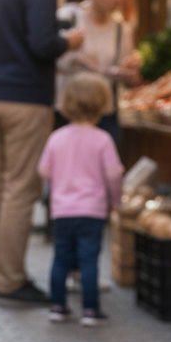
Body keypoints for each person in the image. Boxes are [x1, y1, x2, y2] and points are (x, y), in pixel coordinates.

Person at [0, 0, 85, 307]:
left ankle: (2, 274)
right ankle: (11, 279)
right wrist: (69, 42)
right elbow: (43, 44)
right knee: (21, 188)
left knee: (2, 186)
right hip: (25, 95)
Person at [38, 72, 124, 326]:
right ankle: (90, 309)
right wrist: (116, 201)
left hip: (62, 210)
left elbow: (44, 171)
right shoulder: (103, 139)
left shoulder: (57, 137)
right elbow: (114, 174)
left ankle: (57, 306)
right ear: (103, 104)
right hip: (92, 210)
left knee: (61, 259)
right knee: (89, 260)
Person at [56, 0, 142, 144]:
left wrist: (129, 69)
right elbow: (53, 58)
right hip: (68, 113)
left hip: (103, 114)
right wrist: (79, 59)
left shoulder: (122, 29)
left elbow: (126, 70)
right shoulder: (69, 17)